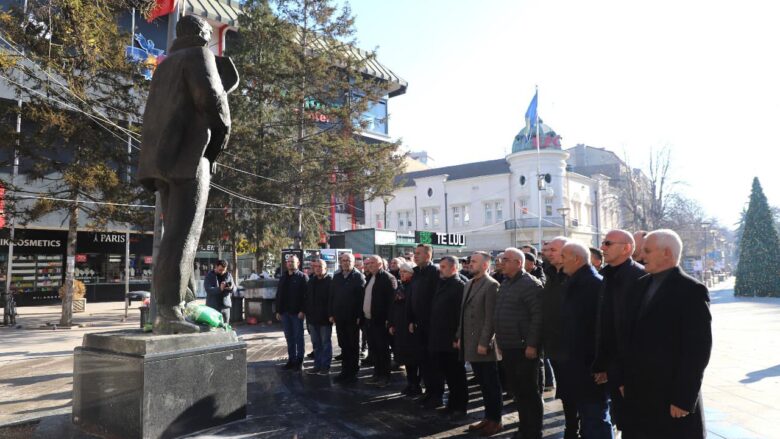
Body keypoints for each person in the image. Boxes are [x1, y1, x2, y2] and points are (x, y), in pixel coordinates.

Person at [137, 15, 238, 334]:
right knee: (183, 236)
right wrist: (216, 146)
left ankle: (178, 303)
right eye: (208, 34)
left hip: (163, 161)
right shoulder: (199, 54)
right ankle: (168, 312)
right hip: (190, 157)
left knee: (174, 235)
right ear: (202, 34)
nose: (209, 38)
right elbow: (212, 101)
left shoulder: (164, 65)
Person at [620, 230, 712, 439]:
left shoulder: (691, 290)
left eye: (647, 251)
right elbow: (628, 336)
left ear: (667, 253)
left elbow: (697, 350)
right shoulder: (640, 285)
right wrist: (624, 379)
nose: (641, 256)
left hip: (671, 400)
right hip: (638, 396)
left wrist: (684, 398)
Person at [592, 229, 646, 434]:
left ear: (627, 248)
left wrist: (626, 377)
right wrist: (602, 363)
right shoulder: (606, 275)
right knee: (622, 422)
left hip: (630, 372)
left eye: (608, 243)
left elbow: (635, 333)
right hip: (613, 368)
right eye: (603, 243)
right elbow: (604, 324)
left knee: (635, 425)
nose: (602, 248)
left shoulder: (639, 277)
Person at [559, 242, 613, 439]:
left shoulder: (595, 284)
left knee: (595, 418)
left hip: (591, 367)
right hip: (577, 365)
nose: (560, 260)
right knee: (588, 417)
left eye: (563, 256)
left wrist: (602, 365)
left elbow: (603, 329)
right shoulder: (572, 282)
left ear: (576, 259)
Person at [494, 248, 544, 439]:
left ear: (518, 263)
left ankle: (534, 432)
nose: (501, 263)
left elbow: (538, 317)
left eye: (506, 260)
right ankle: (524, 429)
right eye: (501, 259)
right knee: (518, 392)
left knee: (529, 392)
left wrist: (532, 344)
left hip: (524, 348)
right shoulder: (506, 283)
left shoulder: (530, 284)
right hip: (508, 346)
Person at [456, 251, 503, 436]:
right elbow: (463, 314)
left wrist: (485, 342)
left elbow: (491, 318)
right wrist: (460, 336)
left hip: (483, 345)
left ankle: (496, 420)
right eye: (470, 261)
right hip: (470, 341)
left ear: (485, 265)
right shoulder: (469, 283)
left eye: (474, 261)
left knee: (491, 384)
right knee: (482, 384)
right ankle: (488, 417)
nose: (470, 263)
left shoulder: (492, 285)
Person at [542, 236, 580, 437]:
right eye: (547, 250)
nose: (548, 254)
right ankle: (571, 427)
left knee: (580, 395)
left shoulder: (575, 276)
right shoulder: (550, 275)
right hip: (555, 345)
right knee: (566, 393)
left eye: (553, 250)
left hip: (574, 347)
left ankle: (577, 428)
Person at [425, 256, 467, 417]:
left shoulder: (458, 286)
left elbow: (460, 315)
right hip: (439, 337)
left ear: (454, 268)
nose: (440, 269)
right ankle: (451, 404)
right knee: (447, 373)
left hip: (451, 339)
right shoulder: (442, 284)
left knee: (456, 374)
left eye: (443, 267)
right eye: (440, 266)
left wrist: (457, 337)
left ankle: (460, 406)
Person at [407, 244, 440, 405]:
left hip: (431, 325)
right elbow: (412, 297)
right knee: (423, 361)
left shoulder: (434, 272)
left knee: (433, 362)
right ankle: (428, 391)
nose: (415, 255)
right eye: (414, 253)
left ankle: (436, 395)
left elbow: (435, 299)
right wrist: (411, 319)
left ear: (428, 255)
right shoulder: (417, 273)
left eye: (418, 253)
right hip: (418, 324)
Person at [329, 253, 366, 385]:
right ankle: (345, 371)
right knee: (343, 344)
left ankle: (353, 372)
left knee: (353, 345)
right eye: (343, 260)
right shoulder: (337, 277)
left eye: (348, 260)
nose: (345, 263)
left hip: (352, 318)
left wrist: (359, 316)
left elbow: (362, 300)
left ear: (353, 262)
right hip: (339, 317)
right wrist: (331, 313)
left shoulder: (359, 277)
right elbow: (332, 296)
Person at [362, 255, 398, 387]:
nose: (369, 265)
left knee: (383, 350)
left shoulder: (388, 278)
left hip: (381, 322)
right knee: (374, 350)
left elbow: (392, 303)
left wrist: (390, 321)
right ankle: (377, 374)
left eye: (373, 263)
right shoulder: (370, 277)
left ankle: (385, 376)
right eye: (368, 263)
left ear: (380, 264)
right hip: (369, 320)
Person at [389, 260, 423, 396]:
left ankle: (416, 385)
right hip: (400, 326)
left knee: (414, 358)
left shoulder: (414, 286)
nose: (402, 274)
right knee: (405, 358)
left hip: (410, 327)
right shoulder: (401, 286)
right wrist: (391, 323)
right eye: (401, 272)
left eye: (405, 272)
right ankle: (410, 383)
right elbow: (393, 306)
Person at [276, 256, 308, 371]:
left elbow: (306, 297)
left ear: (298, 263)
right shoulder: (283, 277)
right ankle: (291, 360)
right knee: (289, 337)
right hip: (284, 313)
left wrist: (303, 311)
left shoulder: (303, 277)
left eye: (292, 262)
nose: (290, 264)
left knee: (299, 338)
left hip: (297, 313)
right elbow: (279, 295)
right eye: (288, 262)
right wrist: (278, 311)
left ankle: (299, 361)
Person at [304, 259, 333, 375]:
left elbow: (332, 300)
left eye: (320, 266)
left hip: (325, 319)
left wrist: (331, 315)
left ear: (325, 268)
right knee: (316, 344)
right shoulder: (311, 281)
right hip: (312, 318)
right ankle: (317, 365)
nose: (317, 268)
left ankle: (325, 366)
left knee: (325, 343)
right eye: (316, 266)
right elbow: (306, 298)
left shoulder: (330, 281)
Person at [204, 260, 236, 325]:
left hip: (225, 307)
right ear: (216, 267)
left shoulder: (228, 275)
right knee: (214, 328)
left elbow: (234, 288)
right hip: (213, 307)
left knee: (226, 327)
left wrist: (231, 288)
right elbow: (208, 289)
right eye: (220, 270)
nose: (222, 272)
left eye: (224, 270)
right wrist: (219, 289)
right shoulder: (209, 276)